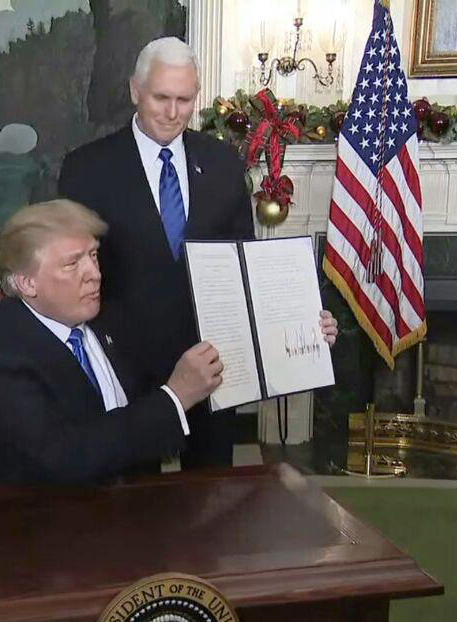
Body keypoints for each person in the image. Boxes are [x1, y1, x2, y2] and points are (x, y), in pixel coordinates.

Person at [59, 37, 338, 468]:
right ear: (135, 90)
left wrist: (302, 321)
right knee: (133, 505)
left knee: (210, 501)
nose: (173, 113)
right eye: (161, 98)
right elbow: (70, 275)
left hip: (213, 373)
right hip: (126, 379)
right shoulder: (87, 169)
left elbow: (246, 270)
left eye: (185, 100)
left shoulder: (224, 164)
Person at [0, 200, 224, 487]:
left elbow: (144, 400)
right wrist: (175, 397)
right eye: (72, 264)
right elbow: (62, 459)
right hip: (39, 511)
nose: (95, 274)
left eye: (93, 255)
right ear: (27, 283)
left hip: (132, 503)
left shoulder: (109, 318)